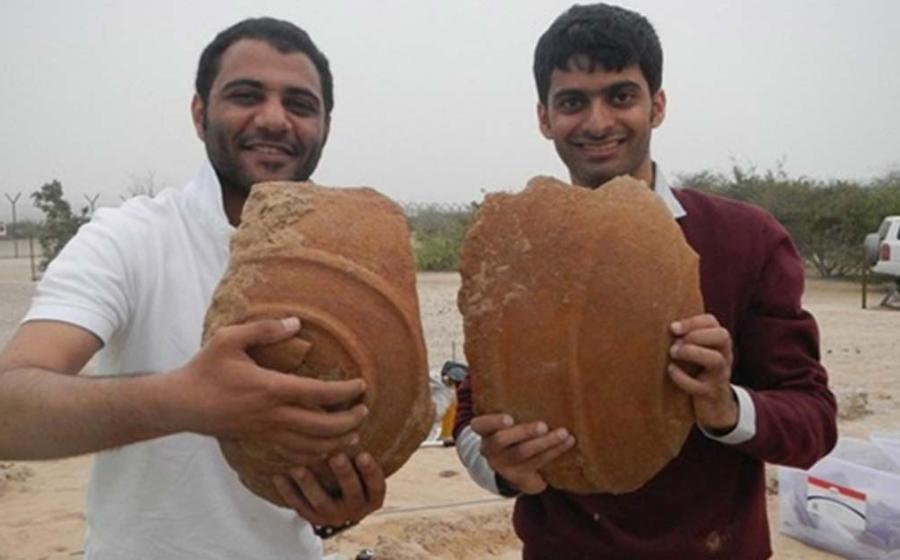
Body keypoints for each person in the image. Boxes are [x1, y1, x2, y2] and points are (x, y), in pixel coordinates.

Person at [453, 4, 838, 559]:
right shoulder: (514, 248)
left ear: (656, 106)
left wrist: (725, 407)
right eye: (572, 102)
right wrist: (503, 470)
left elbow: (814, 422)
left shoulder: (745, 239)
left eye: (620, 96)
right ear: (544, 118)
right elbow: (472, 416)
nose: (597, 122)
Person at [0, 18, 385, 560]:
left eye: (299, 104)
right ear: (200, 113)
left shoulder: (352, 262)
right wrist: (187, 401)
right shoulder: (130, 238)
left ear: (324, 125)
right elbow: (8, 409)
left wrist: (333, 506)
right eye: (246, 95)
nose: (274, 119)